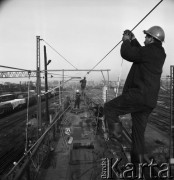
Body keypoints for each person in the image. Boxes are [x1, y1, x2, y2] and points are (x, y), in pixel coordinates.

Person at [104, 26, 166, 164]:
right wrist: (133, 39)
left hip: (138, 95)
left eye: (146, 36)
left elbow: (128, 54)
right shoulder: (158, 52)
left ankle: (115, 144)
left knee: (109, 108)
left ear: (151, 39)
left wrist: (126, 41)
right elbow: (140, 53)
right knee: (138, 136)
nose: (145, 38)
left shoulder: (149, 51)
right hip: (148, 102)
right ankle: (138, 167)